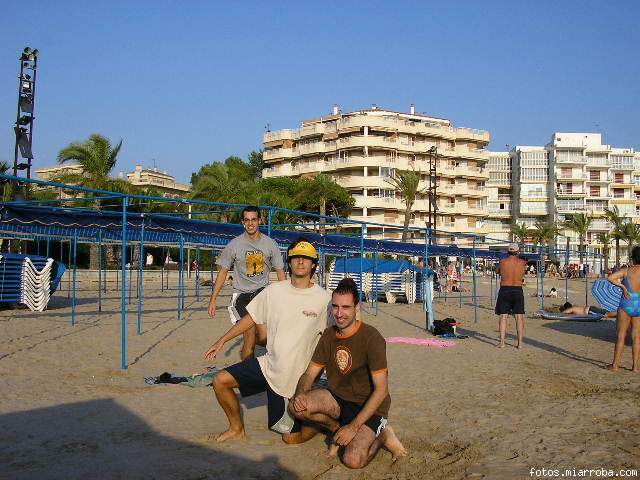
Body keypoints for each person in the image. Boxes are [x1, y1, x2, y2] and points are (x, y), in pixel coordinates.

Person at [203, 238, 332, 443]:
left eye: (306, 258)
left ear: (314, 265)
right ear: (288, 262)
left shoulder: (324, 299)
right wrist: (222, 341)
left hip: (295, 379)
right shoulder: (274, 291)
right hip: (268, 365)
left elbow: (336, 336)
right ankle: (236, 428)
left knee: (289, 438)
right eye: (296, 257)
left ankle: (318, 425)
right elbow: (251, 318)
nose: (300, 262)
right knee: (220, 381)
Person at [290, 278, 407, 468]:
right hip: (339, 398)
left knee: (353, 460)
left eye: (345, 307)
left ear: (356, 307)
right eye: (335, 307)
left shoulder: (371, 337)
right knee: (297, 408)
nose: (339, 313)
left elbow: (381, 390)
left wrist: (354, 427)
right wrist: (301, 394)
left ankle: (383, 434)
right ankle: (336, 428)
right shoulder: (329, 335)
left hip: (369, 406)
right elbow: (309, 374)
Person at [207, 206, 286, 360]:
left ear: (260, 221)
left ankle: (246, 353)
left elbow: (280, 272)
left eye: (254, 220)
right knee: (249, 333)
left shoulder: (270, 244)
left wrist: (285, 298)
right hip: (241, 295)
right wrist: (213, 299)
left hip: (262, 294)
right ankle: (246, 375)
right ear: (243, 222)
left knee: (263, 338)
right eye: (247, 220)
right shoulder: (234, 245)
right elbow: (223, 272)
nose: (251, 223)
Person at [606, 246, 640, 372]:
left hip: (626, 303)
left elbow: (609, 278)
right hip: (639, 304)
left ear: (633, 258)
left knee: (621, 335)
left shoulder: (627, 270)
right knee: (637, 336)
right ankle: (635, 367)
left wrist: (623, 287)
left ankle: (615, 365)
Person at [495, 243, 527, 349]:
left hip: (505, 289)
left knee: (503, 316)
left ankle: (502, 343)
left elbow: (497, 272)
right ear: (517, 252)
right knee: (519, 317)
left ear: (508, 251)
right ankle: (520, 344)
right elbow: (522, 274)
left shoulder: (502, 262)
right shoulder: (522, 263)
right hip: (517, 289)